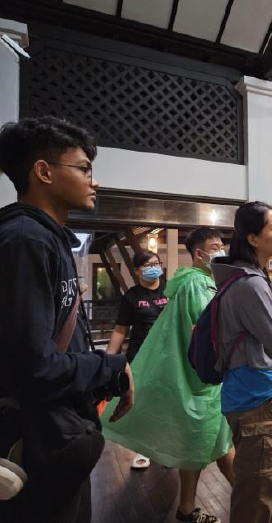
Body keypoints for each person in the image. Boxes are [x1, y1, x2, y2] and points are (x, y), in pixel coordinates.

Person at [0, 116, 134, 523]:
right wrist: (110, 365)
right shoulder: (25, 240)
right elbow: (33, 365)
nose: (93, 181)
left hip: (54, 440)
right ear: (43, 171)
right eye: (83, 169)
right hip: (34, 443)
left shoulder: (46, 238)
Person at [100, 228, 234, 523]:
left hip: (180, 370)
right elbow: (209, 332)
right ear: (199, 255)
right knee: (218, 442)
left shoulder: (191, 283)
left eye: (222, 245)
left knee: (199, 441)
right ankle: (250, 504)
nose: (221, 251)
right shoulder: (197, 286)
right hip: (198, 378)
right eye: (215, 247)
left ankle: (188, 508)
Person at [212, 201, 272, 523]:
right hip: (253, 396)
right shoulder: (251, 284)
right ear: (253, 238)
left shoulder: (249, 279)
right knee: (257, 487)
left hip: (264, 393)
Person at [103, 248, 168, 470]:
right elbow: (120, 330)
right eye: (148, 265)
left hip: (169, 357)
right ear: (137, 269)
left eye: (157, 264)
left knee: (167, 403)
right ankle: (143, 449)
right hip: (140, 357)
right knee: (142, 402)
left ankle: (167, 449)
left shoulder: (171, 290)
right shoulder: (131, 297)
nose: (154, 268)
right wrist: (109, 360)